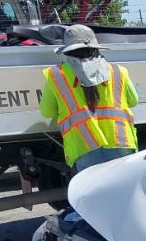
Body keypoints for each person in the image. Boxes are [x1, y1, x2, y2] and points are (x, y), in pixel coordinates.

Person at [39, 24, 138, 173]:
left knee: (93, 193)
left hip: (84, 145)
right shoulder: (118, 71)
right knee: (124, 190)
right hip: (120, 141)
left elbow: (47, 112)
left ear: (67, 50)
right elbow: (133, 101)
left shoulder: (56, 76)